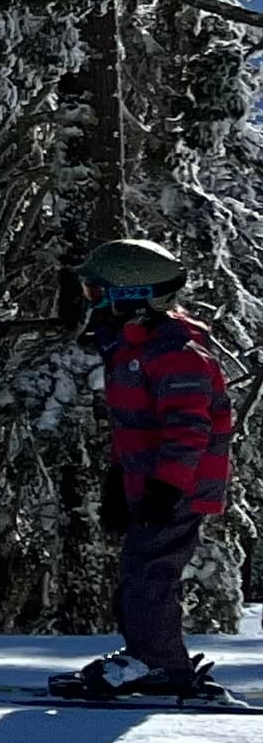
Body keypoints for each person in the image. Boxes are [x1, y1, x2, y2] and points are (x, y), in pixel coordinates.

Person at [52, 240, 239, 702]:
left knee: (150, 574)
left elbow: (189, 428)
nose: (91, 302)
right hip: (151, 480)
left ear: (133, 295)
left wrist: (165, 487)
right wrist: (120, 479)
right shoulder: (136, 345)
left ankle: (161, 665)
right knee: (139, 571)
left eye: (98, 293)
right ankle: (147, 655)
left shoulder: (176, 352)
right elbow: (138, 427)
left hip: (176, 486)